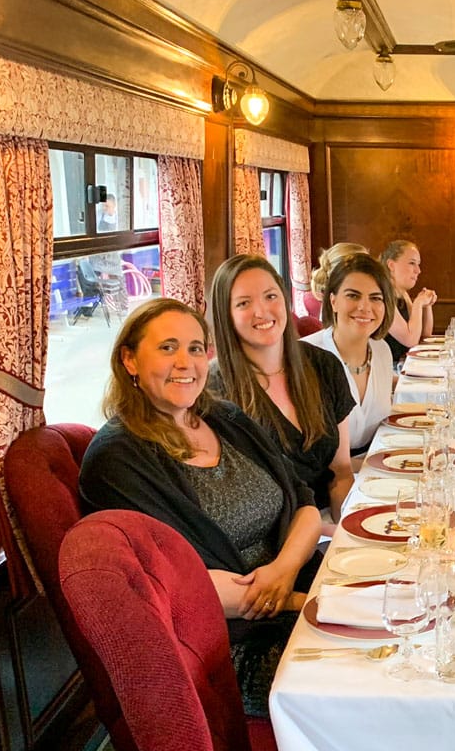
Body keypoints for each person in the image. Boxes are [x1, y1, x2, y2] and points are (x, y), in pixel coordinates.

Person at [78, 298, 323, 716]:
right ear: (129, 360)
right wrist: (308, 602)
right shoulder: (117, 459)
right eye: (167, 347)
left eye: (195, 348)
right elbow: (177, 588)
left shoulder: (224, 417)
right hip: (227, 645)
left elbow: (305, 505)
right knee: (374, 678)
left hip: (297, 587)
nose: (186, 362)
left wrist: (285, 573)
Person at [205, 254, 356, 537]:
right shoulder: (214, 392)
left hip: (328, 528)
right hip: (272, 540)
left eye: (270, 296)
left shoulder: (323, 365)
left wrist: (346, 536)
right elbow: (239, 508)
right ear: (225, 315)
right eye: (243, 303)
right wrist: (320, 533)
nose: (261, 312)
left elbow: (341, 472)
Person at [302, 252, 397, 464]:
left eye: (375, 298)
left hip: (377, 471)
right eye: (353, 296)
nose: (364, 307)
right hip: (322, 483)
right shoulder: (305, 356)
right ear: (333, 301)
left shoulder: (381, 351)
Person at [380, 240, 438, 364]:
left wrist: (427, 306)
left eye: (418, 264)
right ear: (391, 265)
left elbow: (424, 336)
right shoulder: (383, 297)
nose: (418, 270)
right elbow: (410, 340)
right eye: (412, 263)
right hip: (388, 369)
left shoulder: (403, 294)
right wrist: (418, 303)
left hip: (404, 364)